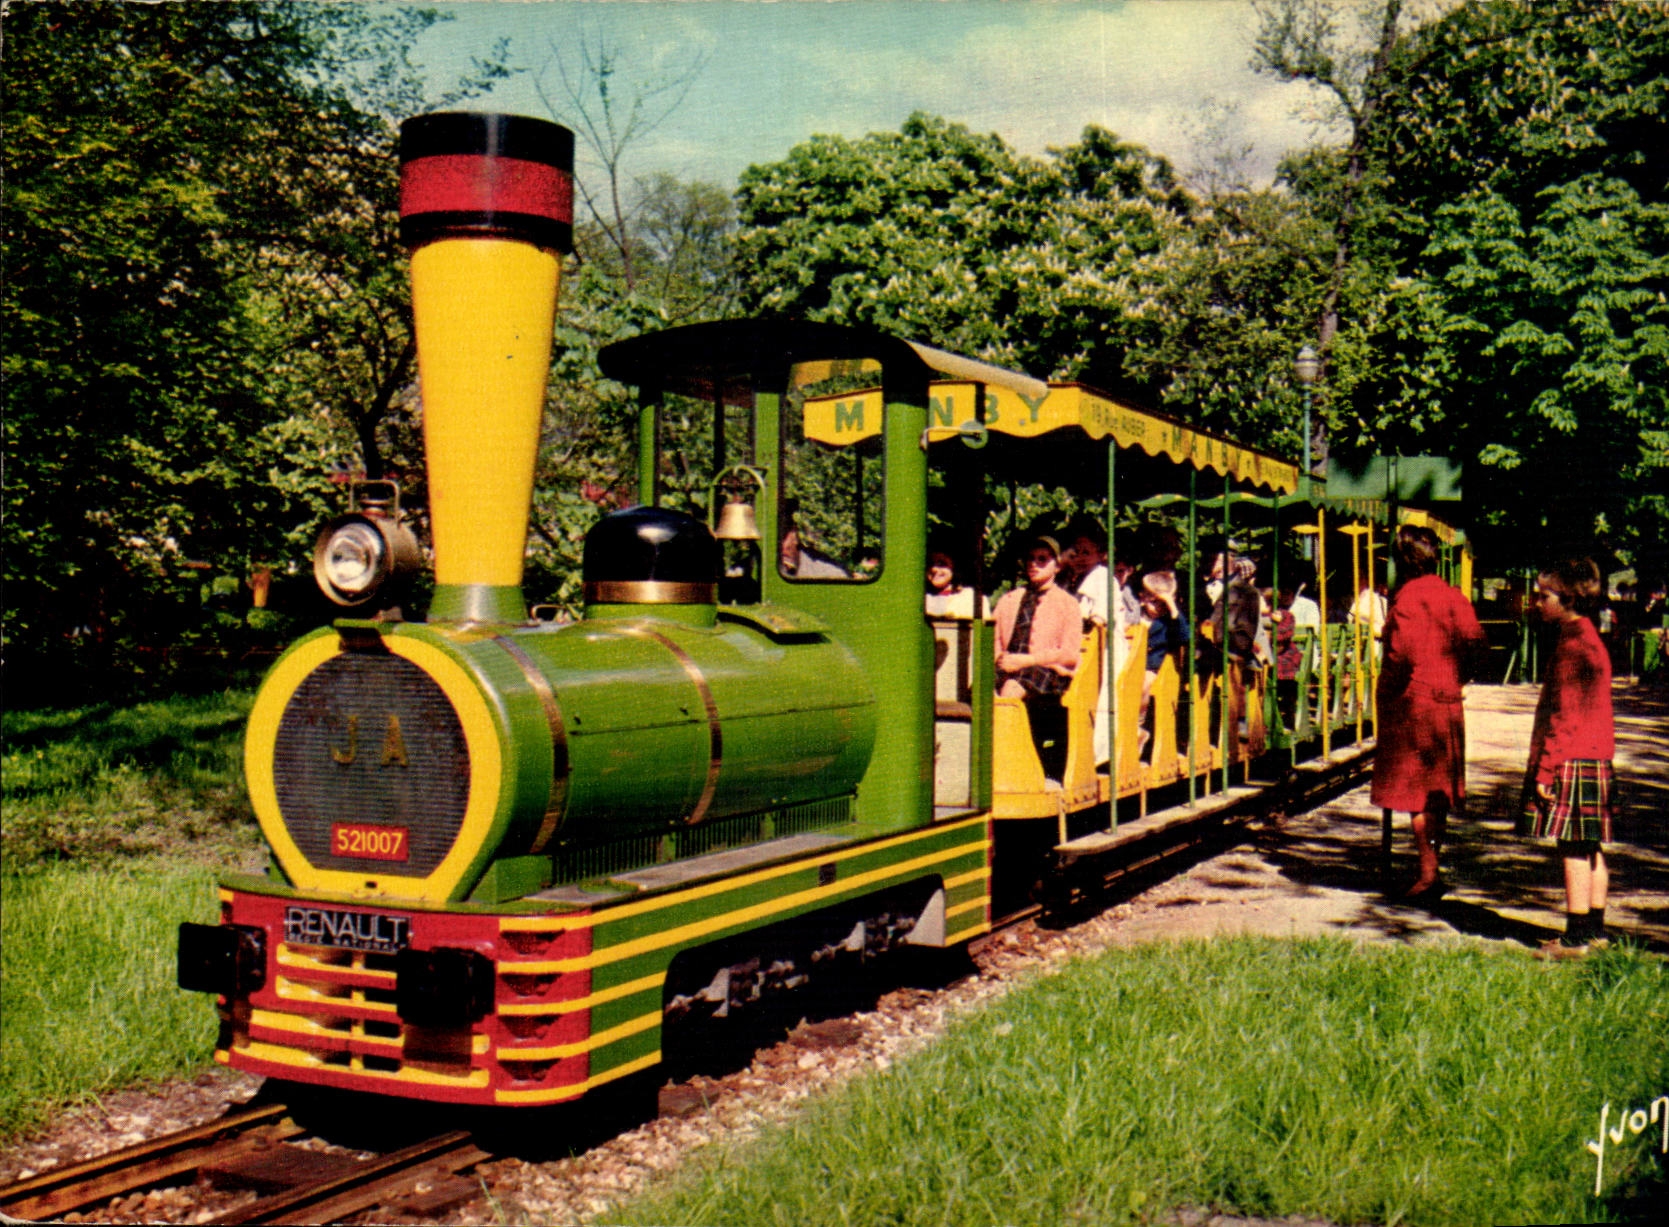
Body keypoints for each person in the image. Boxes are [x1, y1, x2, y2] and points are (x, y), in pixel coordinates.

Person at [1369, 524, 1488, 898]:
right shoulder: (1454, 596)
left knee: (1415, 792)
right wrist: (1456, 679)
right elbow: (1477, 646)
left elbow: (1400, 655)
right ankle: (1433, 864)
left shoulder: (1407, 599)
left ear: (1402, 560)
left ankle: (1427, 872)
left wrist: (1384, 691)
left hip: (1413, 705)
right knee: (1438, 791)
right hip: (1447, 703)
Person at [1518, 557, 1617, 959]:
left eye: (1545, 596)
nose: (1538, 602)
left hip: (1572, 758)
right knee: (1591, 846)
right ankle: (1595, 930)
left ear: (1569, 599)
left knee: (1573, 846)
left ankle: (1575, 938)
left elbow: (1564, 716)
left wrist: (1545, 770)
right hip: (1596, 757)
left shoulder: (1573, 645)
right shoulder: (1588, 637)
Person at [994, 535, 1081, 785]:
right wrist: (1003, 659)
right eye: (1031, 559)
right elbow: (993, 642)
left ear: (1057, 566)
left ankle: (1015, 768)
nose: (1034, 564)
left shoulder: (1067, 604)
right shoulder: (1009, 600)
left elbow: (1069, 654)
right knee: (979, 691)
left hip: (1047, 671)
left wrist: (1026, 660)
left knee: (1010, 691)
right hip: (1009, 667)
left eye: (1042, 560)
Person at [924, 550, 984, 618]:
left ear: (954, 567)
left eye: (941, 564)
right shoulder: (921, 599)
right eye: (930, 564)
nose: (934, 569)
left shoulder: (970, 597)